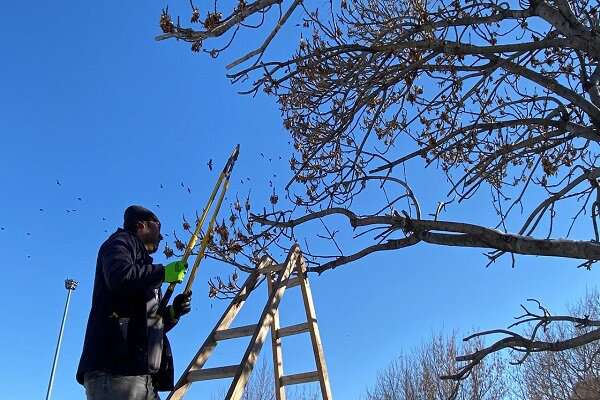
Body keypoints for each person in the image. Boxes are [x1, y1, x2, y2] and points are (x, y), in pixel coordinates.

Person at [76, 205, 192, 400]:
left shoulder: (143, 269)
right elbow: (119, 277)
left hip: (140, 375)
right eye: (158, 227)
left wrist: (173, 313)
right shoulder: (119, 243)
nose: (161, 237)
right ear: (141, 225)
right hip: (115, 371)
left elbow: (151, 323)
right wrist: (162, 273)